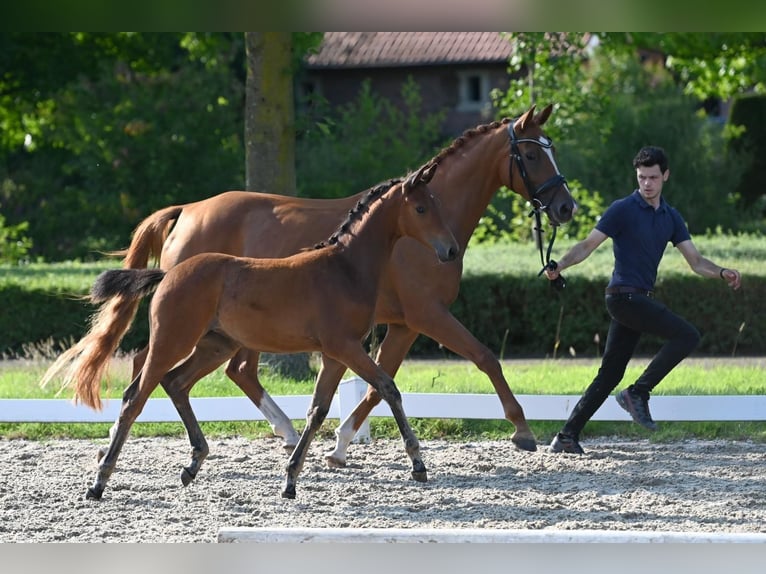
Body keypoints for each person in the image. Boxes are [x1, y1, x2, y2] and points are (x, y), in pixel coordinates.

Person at [544, 145, 742, 454]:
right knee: (687, 335)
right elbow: (587, 245)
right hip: (623, 298)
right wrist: (559, 265)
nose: (646, 183)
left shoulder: (671, 217)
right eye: (641, 177)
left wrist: (721, 272)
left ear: (665, 176)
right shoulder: (622, 209)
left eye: (652, 177)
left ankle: (566, 436)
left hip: (636, 301)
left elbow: (696, 262)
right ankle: (638, 392)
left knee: (610, 373)